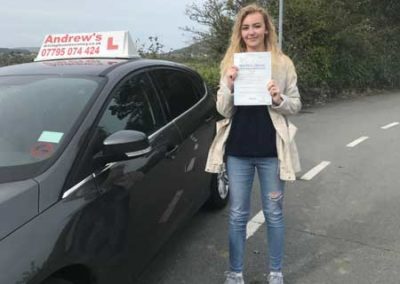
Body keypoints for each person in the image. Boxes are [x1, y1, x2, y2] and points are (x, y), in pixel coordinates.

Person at [205, 4, 301, 284]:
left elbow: (295, 105)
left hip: (272, 151)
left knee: (273, 213)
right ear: (240, 32)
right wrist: (230, 84)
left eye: (256, 26)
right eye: (246, 28)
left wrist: (278, 98)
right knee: (237, 214)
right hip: (238, 151)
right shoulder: (230, 63)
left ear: (267, 28)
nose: (251, 32)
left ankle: (275, 272)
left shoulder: (282, 63)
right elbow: (223, 110)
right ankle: (235, 273)